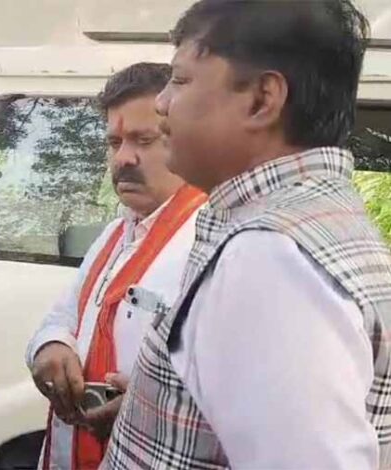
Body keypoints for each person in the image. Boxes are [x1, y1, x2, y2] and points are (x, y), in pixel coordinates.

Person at [103, 1, 391, 468]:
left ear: (261, 100)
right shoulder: (313, 222)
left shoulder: (269, 256)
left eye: (180, 80)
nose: (161, 103)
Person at [26, 63, 206, 469]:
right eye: (114, 142)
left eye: (143, 140)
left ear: (182, 137)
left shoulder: (209, 240)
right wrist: (51, 346)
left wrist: (147, 407)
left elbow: (230, 389)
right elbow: (61, 317)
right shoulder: (114, 234)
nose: (123, 158)